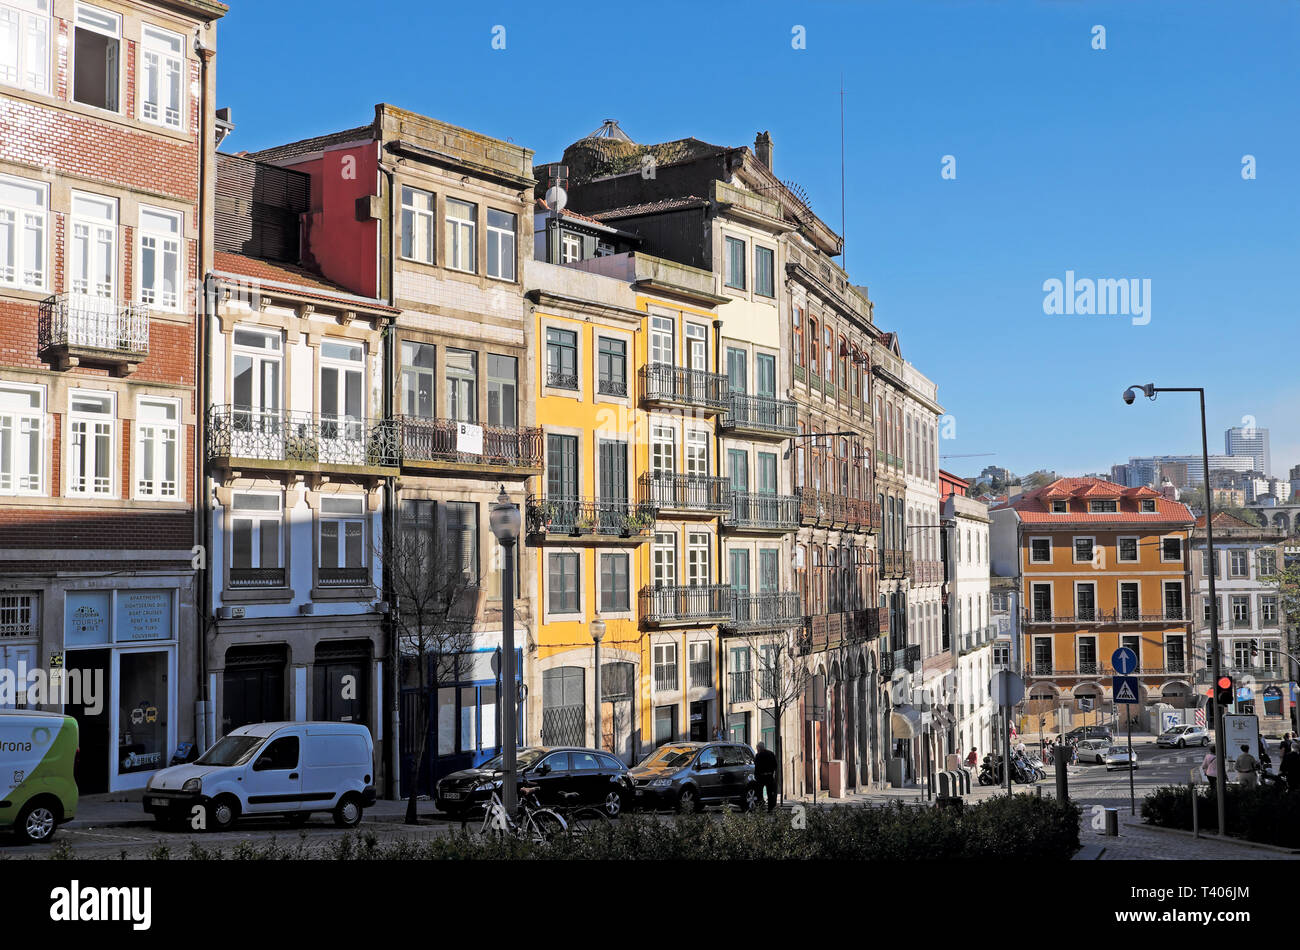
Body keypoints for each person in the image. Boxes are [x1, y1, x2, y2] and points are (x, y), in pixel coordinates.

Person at [753, 741, 778, 812]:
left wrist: (756, 776)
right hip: (769, 776)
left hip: (761, 777)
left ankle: (761, 807)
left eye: (757, 748)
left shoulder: (758, 755)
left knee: (759, 793)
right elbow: (775, 765)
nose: (757, 749)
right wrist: (772, 772)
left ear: (759, 748)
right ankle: (770, 808)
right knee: (770, 793)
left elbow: (756, 767)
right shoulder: (771, 754)